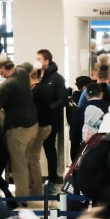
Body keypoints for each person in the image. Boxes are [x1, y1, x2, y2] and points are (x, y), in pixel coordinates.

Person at [0, 55, 39, 199]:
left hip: (18, 129)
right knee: (29, 160)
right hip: (33, 125)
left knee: (19, 166)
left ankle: (22, 198)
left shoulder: (5, 86)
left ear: (2, 70)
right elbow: (30, 64)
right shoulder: (21, 71)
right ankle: (36, 192)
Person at [35, 49, 67, 184]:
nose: (36, 62)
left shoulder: (57, 79)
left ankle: (52, 177)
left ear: (46, 61)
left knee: (49, 149)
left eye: (39, 59)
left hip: (50, 121)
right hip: (34, 120)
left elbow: (63, 99)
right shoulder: (34, 76)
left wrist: (49, 109)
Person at [28, 69, 53, 194]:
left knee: (33, 158)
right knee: (33, 157)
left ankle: (37, 189)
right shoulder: (44, 89)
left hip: (40, 127)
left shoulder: (35, 91)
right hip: (47, 126)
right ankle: (34, 186)